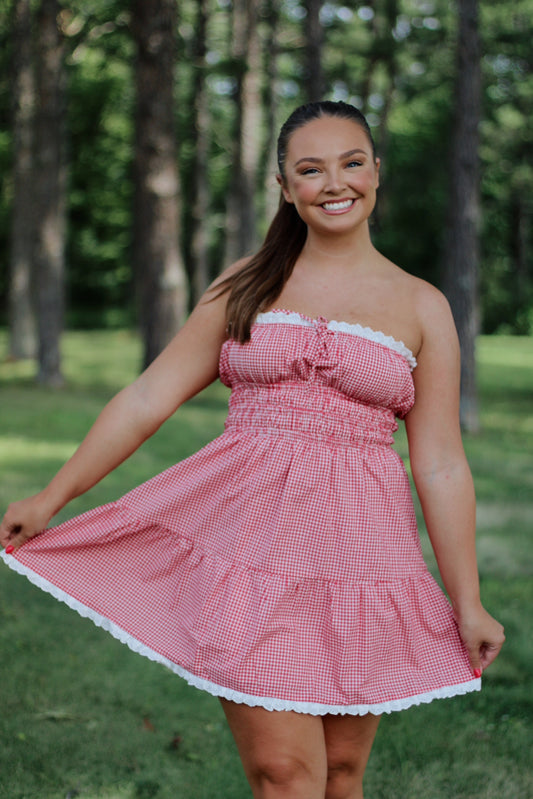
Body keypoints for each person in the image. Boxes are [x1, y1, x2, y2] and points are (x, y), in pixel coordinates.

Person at [1, 100, 504, 799]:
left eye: (351, 162)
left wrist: (467, 600)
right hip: (253, 550)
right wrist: (51, 496)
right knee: (283, 775)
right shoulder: (247, 284)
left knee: (340, 775)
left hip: (363, 558)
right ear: (284, 185)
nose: (335, 182)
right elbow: (149, 398)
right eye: (310, 168)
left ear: (376, 172)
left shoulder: (421, 306)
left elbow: (442, 463)